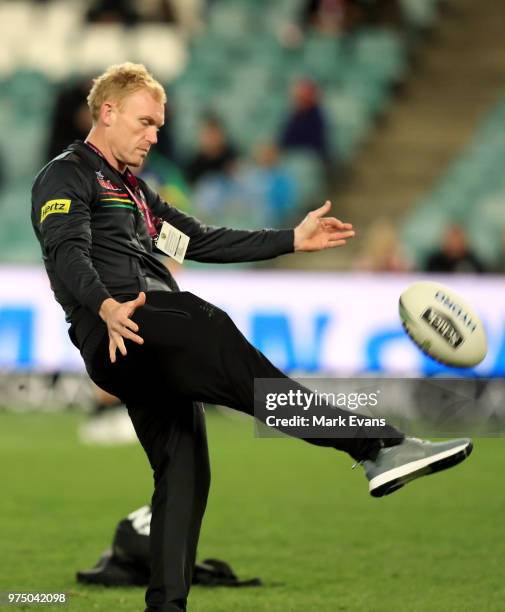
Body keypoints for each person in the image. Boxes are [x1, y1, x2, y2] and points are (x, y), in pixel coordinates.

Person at [31, 63, 472, 612]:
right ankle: (377, 447)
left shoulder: (136, 192)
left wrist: (291, 238)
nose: (154, 136)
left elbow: (199, 240)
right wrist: (104, 304)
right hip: (130, 323)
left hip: (139, 344)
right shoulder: (67, 174)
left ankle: (165, 605)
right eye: (145, 123)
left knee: (186, 467)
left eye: (160, 128)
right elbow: (65, 249)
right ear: (108, 112)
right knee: (236, 358)